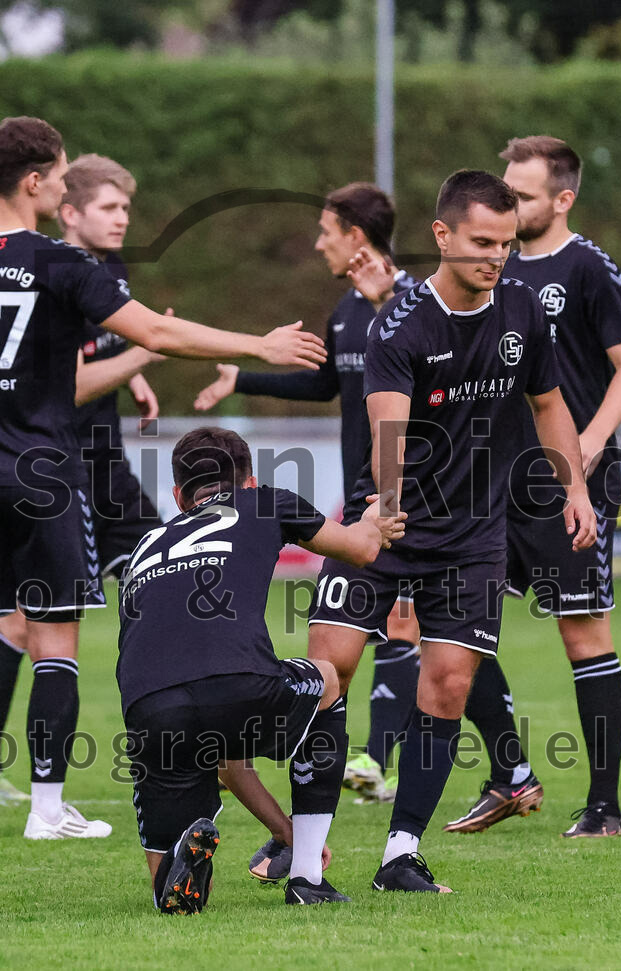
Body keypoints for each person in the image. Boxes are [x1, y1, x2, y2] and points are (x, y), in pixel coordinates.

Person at [0, 115, 326, 841]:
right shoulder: (59, 263)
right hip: (48, 479)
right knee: (56, 643)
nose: (63, 186)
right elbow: (156, 332)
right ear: (33, 182)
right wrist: (261, 343)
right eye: (59, 175)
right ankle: (46, 809)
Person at [306, 169, 597, 893]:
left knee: (446, 684)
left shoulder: (523, 309)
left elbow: (549, 401)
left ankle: (399, 853)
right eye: (480, 243)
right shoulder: (401, 324)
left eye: (504, 244)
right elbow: (388, 427)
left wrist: (576, 486)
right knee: (325, 672)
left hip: (473, 536)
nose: (494, 258)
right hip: (385, 525)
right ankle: (298, 844)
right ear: (442, 235)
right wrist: (387, 505)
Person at [446, 136, 621, 839]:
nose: (509, 201)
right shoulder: (488, 270)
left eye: (523, 193)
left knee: (583, 633)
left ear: (563, 199)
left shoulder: (587, 267)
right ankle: (510, 773)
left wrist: (588, 444)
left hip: (567, 484)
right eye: (505, 187)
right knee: (447, 623)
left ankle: (603, 806)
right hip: (490, 482)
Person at [194, 183, 421, 804]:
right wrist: (244, 375)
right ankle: (497, 770)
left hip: (413, 495)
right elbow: (328, 385)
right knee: (355, 639)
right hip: (359, 497)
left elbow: (434, 371)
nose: (318, 241)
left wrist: (390, 301)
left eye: (326, 230)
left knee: (410, 629)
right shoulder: (347, 310)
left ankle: (377, 759)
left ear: (355, 234)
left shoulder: (416, 302)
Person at [118, 427, 405, 912]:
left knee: (172, 894)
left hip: (149, 709)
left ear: (176, 496)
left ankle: (178, 869)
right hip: (241, 687)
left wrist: (280, 830)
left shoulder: (145, 547)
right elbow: (360, 549)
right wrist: (378, 516)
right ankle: (307, 874)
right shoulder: (265, 501)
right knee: (328, 678)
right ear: (249, 482)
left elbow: (227, 762)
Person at [0, 153, 166, 805]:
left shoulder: (111, 271)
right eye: (109, 208)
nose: (122, 219)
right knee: (23, 621)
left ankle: (167, 745)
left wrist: (134, 375)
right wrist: (143, 353)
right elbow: (70, 383)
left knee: (168, 579)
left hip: (108, 470)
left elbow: (105, 340)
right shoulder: (47, 278)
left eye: (126, 209)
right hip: (57, 472)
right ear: (69, 212)